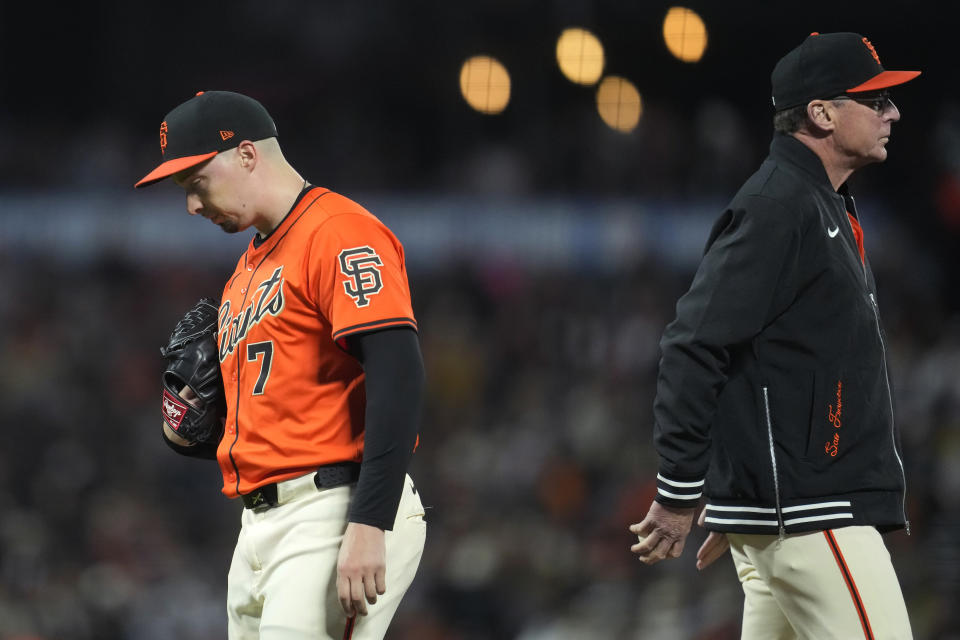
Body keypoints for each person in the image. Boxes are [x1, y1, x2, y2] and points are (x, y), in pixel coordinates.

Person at [629, 32, 920, 639]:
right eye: (876, 100)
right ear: (822, 113)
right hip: (814, 513)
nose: (892, 112)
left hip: (792, 510)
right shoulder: (779, 205)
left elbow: (762, 357)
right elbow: (695, 342)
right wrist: (682, 491)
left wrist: (741, 495)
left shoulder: (822, 202)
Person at [136, 90, 427, 639]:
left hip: (334, 508)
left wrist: (369, 522)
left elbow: (399, 374)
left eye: (197, 184)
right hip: (259, 524)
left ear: (246, 155)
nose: (193, 207)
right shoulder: (245, 271)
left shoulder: (338, 231)